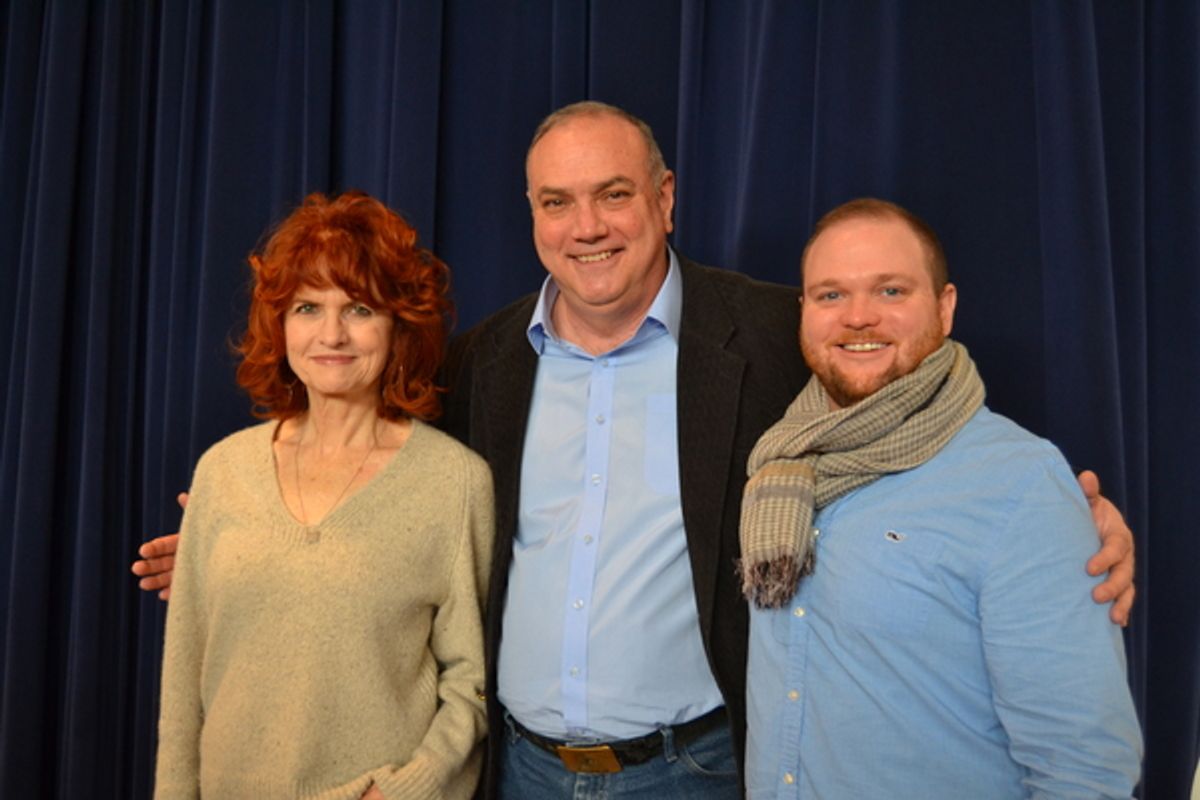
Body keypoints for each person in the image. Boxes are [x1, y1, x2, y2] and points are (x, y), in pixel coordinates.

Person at [136, 103, 1137, 799]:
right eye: (555, 202)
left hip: (694, 768)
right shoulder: (482, 364)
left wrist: (1069, 518)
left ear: (663, 198)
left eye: (613, 194)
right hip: (518, 768)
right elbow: (378, 503)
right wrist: (249, 553)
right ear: (530, 215)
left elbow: (899, 410)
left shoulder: (776, 333)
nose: (587, 228)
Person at [741, 198, 1142, 798]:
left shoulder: (1022, 485)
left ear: (945, 307)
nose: (858, 317)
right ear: (803, 311)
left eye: (891, 292)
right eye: (831, 295)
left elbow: (1085, 769)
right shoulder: (778, 463)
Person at [152, 192, 493, 799]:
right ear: (279, 325)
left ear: (398, 325)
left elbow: (473, 682)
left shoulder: (454, 482)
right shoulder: (222, 472)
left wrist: (407, 790)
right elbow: (182, 687)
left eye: (359, 308)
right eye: (308, 307)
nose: (331, 334)